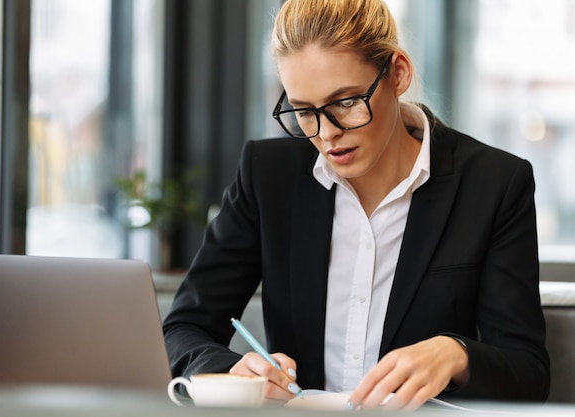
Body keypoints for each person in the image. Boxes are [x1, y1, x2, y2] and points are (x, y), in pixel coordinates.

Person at [162, 0, 550, 410]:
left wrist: (457, 354)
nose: (326, 133)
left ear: (398, 73)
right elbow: (184, 327)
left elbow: (528, 373)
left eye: (345, 102)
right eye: (303, 112)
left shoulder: (493, 184)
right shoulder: (267, 176)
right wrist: (231, 371)